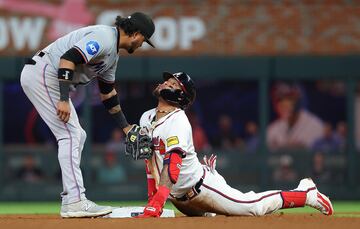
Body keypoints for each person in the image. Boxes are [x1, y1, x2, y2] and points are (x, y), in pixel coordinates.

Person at [135, 72, 333, 218]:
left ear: (180, 96)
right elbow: (150, 162)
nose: (164, 83)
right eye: (166, 81)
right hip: (180, 198)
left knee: (252, 207)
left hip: (201, 187)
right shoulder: (147, 117)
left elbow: (173, 167)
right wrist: (153, 198)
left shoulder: (178, 120)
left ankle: (306, 194)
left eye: (171, 83)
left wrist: (158, 201)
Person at [20, 12, 155, 218]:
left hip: (49, 78)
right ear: (136, 34)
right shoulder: (104, 38)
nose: (141, 45)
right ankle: (74, 201)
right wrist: (64, 99)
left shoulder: (112, 54)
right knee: (72, 135)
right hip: (44, 74)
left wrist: (126, 127)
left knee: (76, 135)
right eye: (144, 40)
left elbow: (108, 94)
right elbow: (68, 58)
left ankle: (71, 199)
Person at [267, 82, 324, 152]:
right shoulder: (272, 129)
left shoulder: (315, 125)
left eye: (289, 98)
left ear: (297, 100)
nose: (284, 103)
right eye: (279, 100)